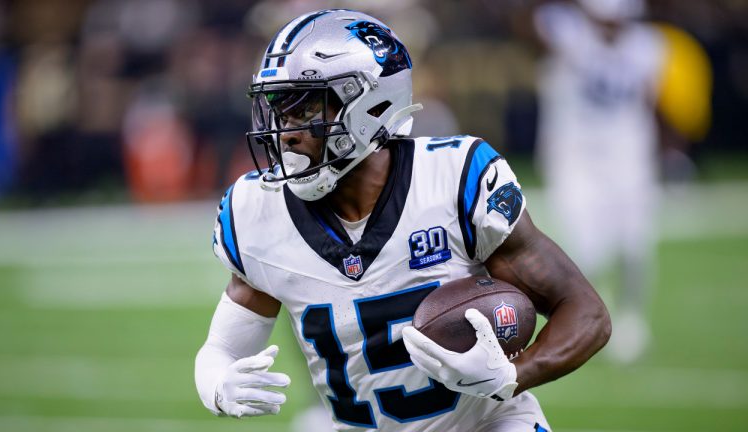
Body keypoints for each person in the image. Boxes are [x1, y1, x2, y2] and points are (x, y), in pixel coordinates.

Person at [195, 9, 610, 431]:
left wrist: (513, 377)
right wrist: (216, 382)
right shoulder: (257, 211)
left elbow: (585, 312)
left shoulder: (453, 180)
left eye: (305, 111)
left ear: (371, 103)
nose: (286, 133)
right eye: (281, 112)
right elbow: (222, 349)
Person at [529, 0, 699, 363]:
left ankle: (633, 318)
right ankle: (594, 310)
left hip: (628, 156)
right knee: (586, 250)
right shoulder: (567, 31)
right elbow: (532, 25)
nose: (609, 29)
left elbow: (652, 103)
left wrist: (671, 151)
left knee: (636, 244)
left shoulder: (647, 45)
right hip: (574, 158)